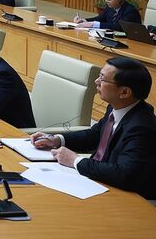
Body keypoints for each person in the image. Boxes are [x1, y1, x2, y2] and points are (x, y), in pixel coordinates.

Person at [30, 57, 156, 199]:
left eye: (102, 78)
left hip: (129, 197)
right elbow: (94, 135)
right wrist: (57, 140)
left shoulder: (141, 128)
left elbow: (125, 175)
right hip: (98, 180)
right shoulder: (117, 107)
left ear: (124, 92)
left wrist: (75, 161)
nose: (96, 81)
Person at [74, 0, 140, 31]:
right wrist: (84, 21)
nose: (106, 1)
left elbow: (119, 27)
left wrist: (93, 24)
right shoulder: (110, 7)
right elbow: (100, 18)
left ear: (121, 0)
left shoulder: (130, 11)